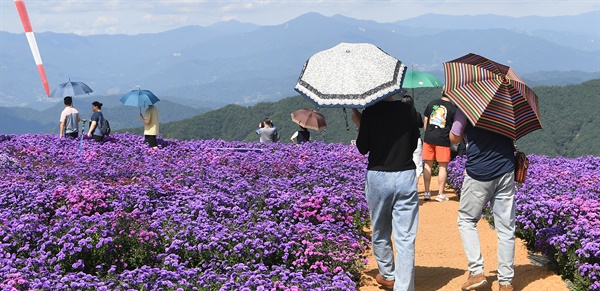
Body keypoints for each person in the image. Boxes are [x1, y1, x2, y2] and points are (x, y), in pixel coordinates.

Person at [351, 92, 420, 291]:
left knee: (380, 229)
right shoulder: (408, 110)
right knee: (406, 237)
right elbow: (414, 143)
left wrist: (359, 122)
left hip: (379, 176)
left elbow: (363, 148)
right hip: (406, 175)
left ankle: (388, 274)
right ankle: (404, 287)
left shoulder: (370, 112)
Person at [450, 109, 516, 291]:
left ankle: (477, 272)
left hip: (480, 170)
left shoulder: (468, 104)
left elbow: (455, 137)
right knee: (506, 228)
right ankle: (506, 282)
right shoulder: (507, 102)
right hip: (506, 167)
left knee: (466, 220)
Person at [421, 92, 456, 202]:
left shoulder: (432, 103)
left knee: (427, 164)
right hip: (443, 139)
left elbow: (426, 120)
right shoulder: (453, 108)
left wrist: (428, 133)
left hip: (429, 138)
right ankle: (440, 194)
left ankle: (426, 192)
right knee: (442, 167)